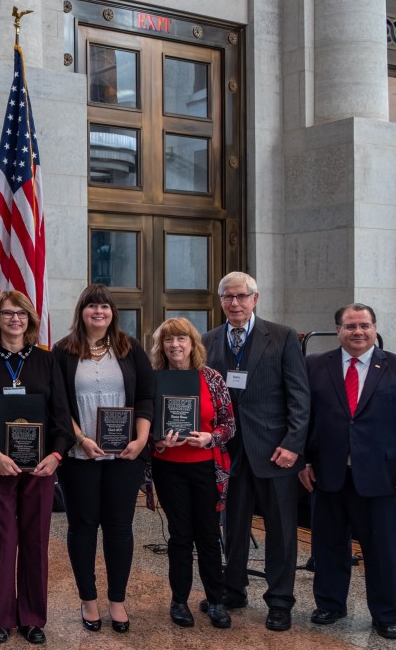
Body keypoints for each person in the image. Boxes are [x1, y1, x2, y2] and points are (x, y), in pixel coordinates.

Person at [299, 304, 396, 640]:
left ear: (374, 329)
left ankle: (386, 615)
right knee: (328, 545)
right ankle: (330, 604)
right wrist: (304, 461)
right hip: (328, 475)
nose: (358, 332)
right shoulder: (314, 365)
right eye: (350, 326)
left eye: (364, 325)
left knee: (384, 550)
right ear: (338, 330)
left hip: (383, 478)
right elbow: (304, 419)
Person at [203, 271, 310, 631]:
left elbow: (300, 396)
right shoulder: (208, 340)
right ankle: (233, 589)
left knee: (281, 529)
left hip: (274, 451)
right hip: (228, 451)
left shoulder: (281, 336)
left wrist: (293, 445)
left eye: (241, 296)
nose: (235, 303)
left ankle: (280, 601)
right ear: (220, 301)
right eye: (228, 297)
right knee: (232, 525)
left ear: (255, 298)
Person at [52, 284, 153, 634]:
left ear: (113, 313)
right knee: (82, 527)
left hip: (125, 457)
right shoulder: (63, 351)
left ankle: (117, 601)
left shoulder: (130, 348)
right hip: (80, 456)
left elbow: (146, 396)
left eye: (105, 307)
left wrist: (141, 439)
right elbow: (58, 406)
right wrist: (80, 438)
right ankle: (89, 599)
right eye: (92, 306)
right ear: (81, 311)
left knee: (120, 528)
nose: (99, 312)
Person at [0, 292, 74, 645]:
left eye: (21, 313)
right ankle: (1, 618)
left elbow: (62, 418)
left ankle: (33, 618)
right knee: (3, 541)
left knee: (35, 541)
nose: (15, 319)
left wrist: (56, 456)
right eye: (7, 313)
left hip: (41, 470)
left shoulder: (47, 362)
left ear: (30, 320)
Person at [148, 317, 236, 630]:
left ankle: (215, 600)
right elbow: (143, 425)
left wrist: (211, 438)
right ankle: (179, 601)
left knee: (210, 536)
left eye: (181, 339)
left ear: (192, 343)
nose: (175, 345)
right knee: (180, 536)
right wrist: (157, 442)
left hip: (206, 468)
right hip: (169, 468)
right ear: (161, 346)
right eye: (169, 340)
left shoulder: (211, 378)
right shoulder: (154, 379)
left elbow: (229, 423)